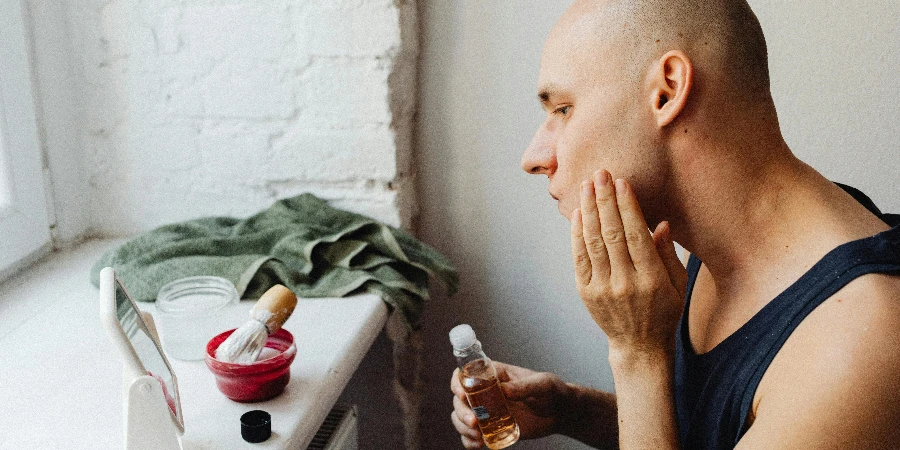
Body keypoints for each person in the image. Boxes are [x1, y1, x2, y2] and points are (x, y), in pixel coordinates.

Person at [450, 0, 900, 448]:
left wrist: (637, 354)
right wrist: (573, 409)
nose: (534, 158)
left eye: (563, 109)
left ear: (667, 90)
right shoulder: (725, 241)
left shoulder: (854, 343)